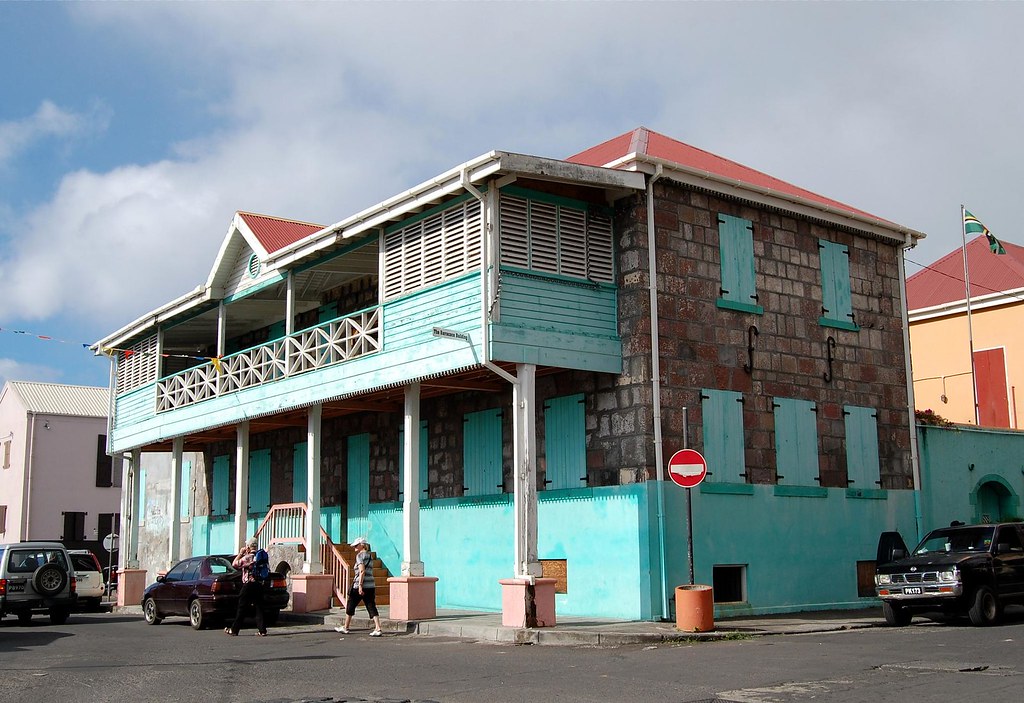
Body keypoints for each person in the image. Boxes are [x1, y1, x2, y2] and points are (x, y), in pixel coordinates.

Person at [335, 537, 383, 637]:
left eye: (356, 545)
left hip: (359, 585)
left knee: (351, 605)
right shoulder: (370, 556)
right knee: (371, 606)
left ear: (362, 545)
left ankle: (346, 627)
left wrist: (360, 585)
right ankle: (378, 628)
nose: (354, 547)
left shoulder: (359, 556)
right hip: (370, 585)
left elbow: (362, 571)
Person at [226, 537, 266, 637]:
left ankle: (234, 630)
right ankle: (262, 630)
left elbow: (234, 564)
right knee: (259, 607)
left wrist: (240, 553)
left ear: (248, 547)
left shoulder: (248, 558)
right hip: (259, 584)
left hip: (249, 585)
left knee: (241, 607)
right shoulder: (261, 556)